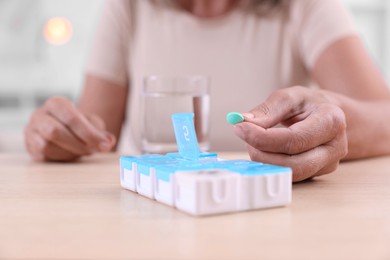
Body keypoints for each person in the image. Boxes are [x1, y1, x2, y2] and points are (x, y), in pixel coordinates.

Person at [24, 0, 390, 182]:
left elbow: (384, 115)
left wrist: (335, 118)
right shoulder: (130, 6)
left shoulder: (304, 6)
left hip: (271, 217)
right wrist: (58, 131)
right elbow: (93, 135)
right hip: (145, 218)